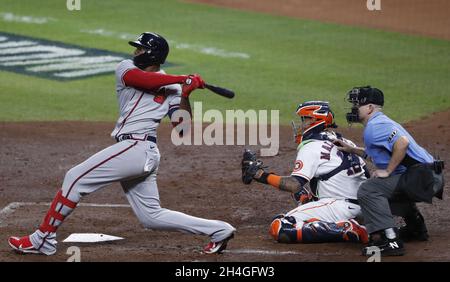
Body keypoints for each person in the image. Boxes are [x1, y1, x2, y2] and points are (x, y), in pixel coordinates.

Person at [8, 32, 235, 255]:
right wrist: (181, 78)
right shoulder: (126, 68)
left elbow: (182, 128)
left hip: (139, 150)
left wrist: (185, 93)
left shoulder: (174, 89)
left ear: (152, 56)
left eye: (140, 49)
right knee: (151, 217)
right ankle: (220, 230)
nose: (135, 52)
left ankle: (42, 239)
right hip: (135, 151)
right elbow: (142, 80)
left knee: (74, 178)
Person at [336, 86, 444, 256]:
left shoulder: (375, 126)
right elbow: (381, 154)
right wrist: (352, 149)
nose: (353, 109)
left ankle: (391, 241)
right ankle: (416, 229)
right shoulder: (379, 123)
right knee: (388, 185)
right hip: (429, 175)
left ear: (370, 108)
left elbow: (402, 143)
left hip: (424, 177)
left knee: (369, 189)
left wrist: (387, 171)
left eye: (357, 105)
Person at [241, 101, 369, 244]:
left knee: (281, 227)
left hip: (340, 207)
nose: (301, 125)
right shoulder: (346, 142)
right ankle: (342, 218)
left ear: (315, 121)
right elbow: (367, 175)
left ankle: (345, 229)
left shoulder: (312, 147)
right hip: (365, 208)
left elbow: (294, 185)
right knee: (304, 192)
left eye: (304, 120)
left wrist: (260, 175)